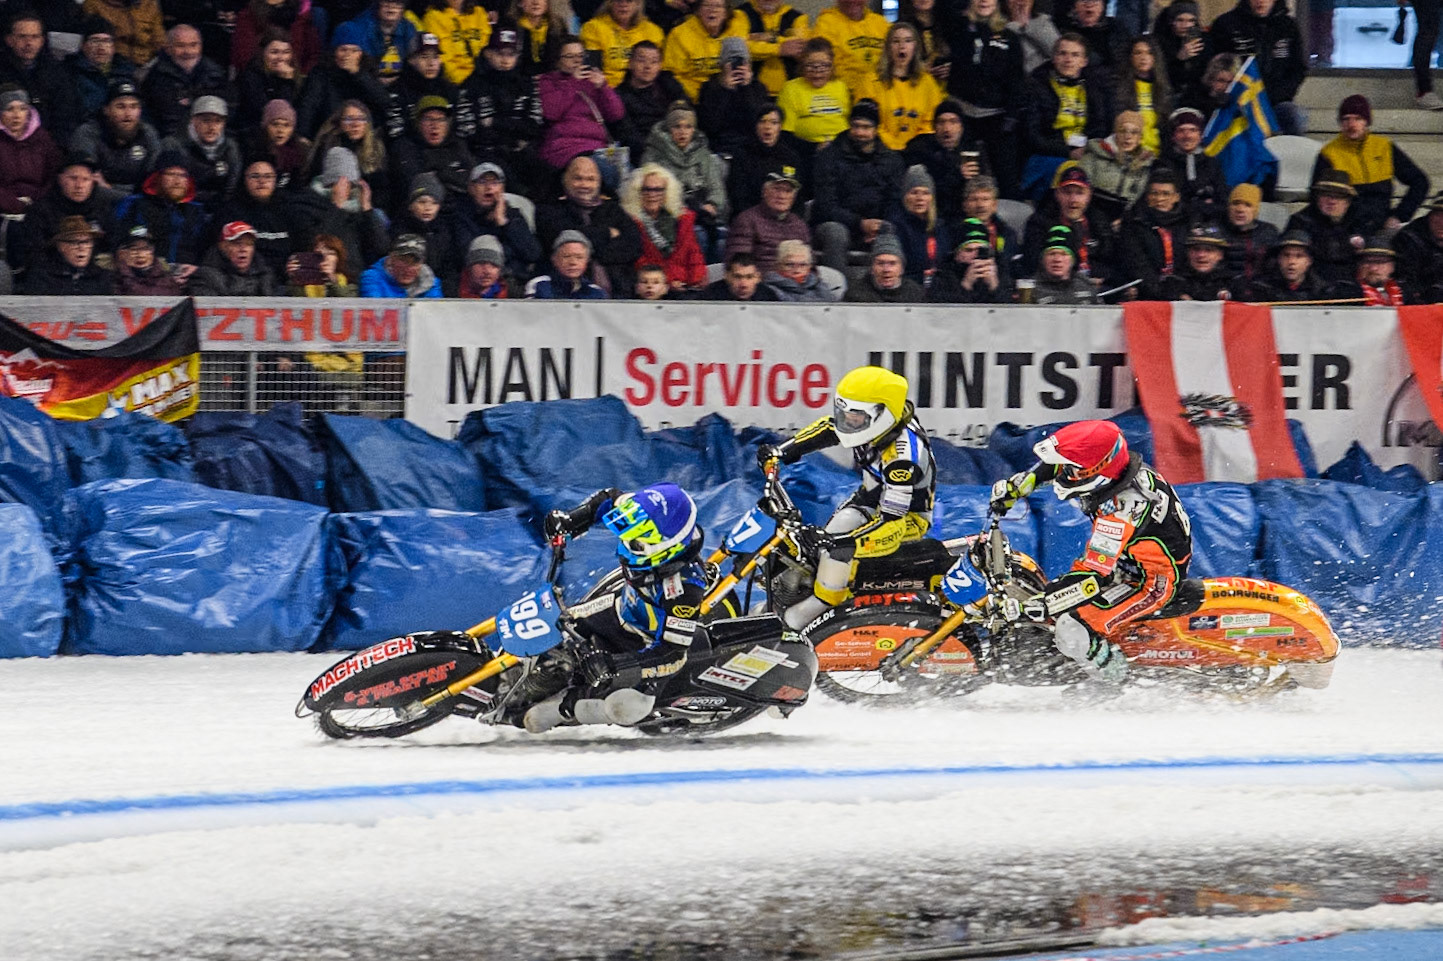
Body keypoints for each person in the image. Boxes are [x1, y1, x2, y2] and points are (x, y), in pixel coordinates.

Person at [989, 419, 1191, 688]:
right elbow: (1059, 465)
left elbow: (1091, 578)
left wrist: (1041, 604)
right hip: (1130, 560)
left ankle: (1111, 681)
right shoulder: (1117, 471)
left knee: (1070, 626)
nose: (1066, 474)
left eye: (1074, 470)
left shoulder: (1122, 510)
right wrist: (1018, 487)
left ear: (1098, 471)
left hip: (1149, 581)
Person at [528, 482, 738, 732]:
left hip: (646, 648)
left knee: (620, 705)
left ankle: (560, 711)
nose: (627, 547)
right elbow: (610, 497)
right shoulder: (646, 516)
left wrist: (616, 666)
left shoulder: (684, 589)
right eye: (627, 537)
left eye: (636, 543)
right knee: (557, 623)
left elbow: (672, 655)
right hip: (622, 609)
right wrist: (573, 519)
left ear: (668, 545)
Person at [758, 365, 936, 631]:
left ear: (882, 415)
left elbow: (892, 524)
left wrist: (839, 542)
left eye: (854, 418)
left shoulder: (903, 458)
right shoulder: (877, 425)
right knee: (809, 546)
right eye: (844, 414)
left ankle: (815, 609)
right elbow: (829, 429)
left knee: (837, 542)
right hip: (871, 500)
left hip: (905, 520)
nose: (846, 422)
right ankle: (786, 595)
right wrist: (782, 451)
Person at [941, 0, 1024, 198]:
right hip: (963, 114)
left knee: (1007, 178)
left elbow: (1016, 81)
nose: (984, 0)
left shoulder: (1009, 37)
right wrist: (971, 24)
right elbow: (945, 11)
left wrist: (1011, 118)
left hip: (997, 116)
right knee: (964, 173)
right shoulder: (958, 28)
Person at [812, 99, 906, 274]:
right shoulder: (829, 156)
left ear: (876, 128)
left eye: (866, 127)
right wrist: (860, 223)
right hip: (835, 223)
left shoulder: (891, 160)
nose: (860, 132)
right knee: (836, 232)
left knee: (896, 227)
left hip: (876, 225)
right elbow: (826, 205)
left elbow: (895, 200)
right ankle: (836, 292)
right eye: (856, 126)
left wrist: (879, 225)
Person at [1315, 95, 1430, 237]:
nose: (1351, 125)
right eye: (1346, 119)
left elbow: (1420, 181)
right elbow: (1316, 196)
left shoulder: (1384, 147)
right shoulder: (1329, 153)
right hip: (1345, 229)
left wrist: (1400, 215)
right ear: (1340, 123)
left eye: (1357, 119)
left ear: (1367, 122)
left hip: (1382, 227)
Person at [454, 25, 545, 193]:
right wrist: (514, 127)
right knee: (518, 187)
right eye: (499, 53)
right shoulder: (471, 86)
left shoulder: (527, 83)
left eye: (511, 54)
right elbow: (469, 132)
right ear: (488, 53)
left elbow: (535, 125)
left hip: (521, 149)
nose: (505, 59)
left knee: (546, 175)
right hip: (486, 154)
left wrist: (496, 122)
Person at [535, 154, 643, 296]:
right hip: (563, 294)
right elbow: (557, 238)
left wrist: (588, 251)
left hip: (620, 293)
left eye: (591, 179)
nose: (584, 185)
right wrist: (607, 233)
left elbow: (633, 245)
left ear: (599, 183)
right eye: (578, 178)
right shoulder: (550, 209)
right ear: (565, 180)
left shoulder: (613, 210)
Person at [1020, 34, 1110, 200]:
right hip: (1049, 154)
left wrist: (1088, 148)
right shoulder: (1037, 86)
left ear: (1084, 61)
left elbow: (1101, 127)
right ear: (1054, 58)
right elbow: (1032, 135)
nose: (1068, 59)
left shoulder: (1094, 88)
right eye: (1063, 54)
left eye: (1075, 55)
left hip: (1086, 152)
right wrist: (1068, 152)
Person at [641, 101, 727, 260]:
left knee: (723, 239)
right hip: (669, 216)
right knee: (697, 235)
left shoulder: (704, 154)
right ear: (668, 129)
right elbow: (650, 193)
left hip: (702, 211)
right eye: (677, 126)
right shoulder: (653, 155)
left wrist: (713, 205)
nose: (683, 132)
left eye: (688, 127)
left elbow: (716, 188)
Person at [1207, 0, 1307, 136]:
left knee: (1293, 115)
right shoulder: (1226, 24)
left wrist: (1278, 95)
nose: (1261, 2)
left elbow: (1298, 68)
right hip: (1236, 100)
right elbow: (1214, 66)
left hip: (1276, 101)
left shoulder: (1288, 26)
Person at [539, 36, 627, 175]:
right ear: (558, 60)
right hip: (565, 147)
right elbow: (551, 112)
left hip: (598, 146)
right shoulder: (548, 81)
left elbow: (616, 114)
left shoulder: (591, 81)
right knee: (606, 171)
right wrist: (573, 82)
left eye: (581, 55)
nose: (577, 61)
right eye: (570, 56)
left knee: (629, 173)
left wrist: (603, 87)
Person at [114, 148, 209, 274]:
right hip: (143, 277)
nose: (177, 181)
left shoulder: (197, 211)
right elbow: (117, 244)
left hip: (188, 278)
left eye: (182, 175)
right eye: (171, 174)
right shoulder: (134, 205)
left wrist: (196, 269)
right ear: (157, 177)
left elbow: (204, 250)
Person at [1019, 163, 1116, 283]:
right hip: (1057, 288)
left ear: (1089, 195)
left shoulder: (1100, 221)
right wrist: (1080, 282)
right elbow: (1033, 264)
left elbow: (1112, 260)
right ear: (1057, 194)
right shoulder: (1039, 223)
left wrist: (1104, 279)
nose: (1073, 200)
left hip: (1102, 287)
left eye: (1079, 193)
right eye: (1067, 192)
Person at [70, 78, 162, 202]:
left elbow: (156, 178)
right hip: (100, 204)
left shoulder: (148, 133)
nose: (128, 114)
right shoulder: (87, 133)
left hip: (142, 203)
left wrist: (113, 190)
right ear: (106, 110)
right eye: (121, 106)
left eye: (133, 106)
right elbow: (90, 182)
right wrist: (131, 199)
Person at [619, 163, 706, 293]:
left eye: (658, 189)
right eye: (646, 189)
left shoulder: (683, 219)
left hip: (684, 285)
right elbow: (638, 261)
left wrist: (695, 281)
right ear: (637, 191)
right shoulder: (629, 221)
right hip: (648, 288)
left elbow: (694, 254)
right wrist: (668, 282)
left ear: (667, 192)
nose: (652, 194)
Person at [0, 11, 84, 143]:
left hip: (47, 147)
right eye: (22, 37)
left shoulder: (57, 72)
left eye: (34, 37)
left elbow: (66, 117)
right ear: (9, 40)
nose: (29, 43)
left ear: (42, 41)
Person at [452, 161, 542, 281]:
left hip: (514, 281)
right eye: (482, 182)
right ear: (471, 188)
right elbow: (470, 256)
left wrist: (504, 223)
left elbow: (533, 253)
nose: (489, 187)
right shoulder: (461, 216)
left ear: (502, 188)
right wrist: (513, 252)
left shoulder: (512, 215)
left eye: (494, 183)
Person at [860, 22, 943, 153]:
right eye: (896, 41)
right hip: (880, 150)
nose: (902, 46)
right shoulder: (871, 81)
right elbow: (867, 120)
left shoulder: (927, 82)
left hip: (918, 151)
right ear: (888, 47)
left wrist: (914, 146)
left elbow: (931, 122)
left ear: (915, 47)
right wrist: (894, 146)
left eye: (908, 41)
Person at [139, 24, 233, 139]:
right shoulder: (157, 77)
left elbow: (226, 115)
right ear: (168, 48)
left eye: (193, 45)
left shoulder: (215, 74)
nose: (188, 52)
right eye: (180, 46)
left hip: (212, 140)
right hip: (172, 143)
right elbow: (167, 120)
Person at [902, 100, 990, 221]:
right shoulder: (921, 150)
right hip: (935, 215)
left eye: (953, 122)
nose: (947, 128)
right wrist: (957, 174)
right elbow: (924, 191)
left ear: (961, 126)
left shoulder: (973, 149)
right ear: (934, 127)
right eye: (941, 122)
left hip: (966, 214)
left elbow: (987, 185)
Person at [294, 35, 391, 139]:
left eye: (354, 51)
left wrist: (358, 74)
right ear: (334, 52)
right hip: (330, 134)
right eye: (343, 50)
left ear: (361, 54)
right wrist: (302, 135)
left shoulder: (368, 72)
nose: (347, 55)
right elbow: (308, 105)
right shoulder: (320, 73)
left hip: (363, 135)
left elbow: (384, 102)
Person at [1284, 170, 1368, 286]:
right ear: (1317, 197)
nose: (1332, 201)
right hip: (1313, 287)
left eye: (1339, 196)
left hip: (1353, 284)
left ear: (1348, 202)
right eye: (1326, 195)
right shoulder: (1300, 221)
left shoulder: (1361, 222)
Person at [614, 40, 690, 167]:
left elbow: (685, 113)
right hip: (642, 152)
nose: (647, 66)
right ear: (630, 63)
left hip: (675, 144)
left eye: (654, 61)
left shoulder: (668, 85)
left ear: (660, 65)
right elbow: (627, 133)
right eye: (641, 60)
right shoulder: (619, 95)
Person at [1118, 166, 1188, 300]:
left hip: (1182, 293)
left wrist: (1182, 291)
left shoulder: (1187, 221)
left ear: (1176, 197)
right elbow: (1137, 265)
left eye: (1165, 194)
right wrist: (1165, 294)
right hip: (1147, 295)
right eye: (1154, 193)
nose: (1159, 199)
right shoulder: (1133, 222)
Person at [159, 96, 242, 209]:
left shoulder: (230, 148)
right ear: (193, 120)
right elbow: (166, 187)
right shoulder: (173, 145)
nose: (212, 127)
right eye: (206, 120)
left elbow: (230, 189)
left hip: (218, 210)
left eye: (218, 121)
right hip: (181, 209)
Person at [696, 36, 772, 159]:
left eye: (741, 62)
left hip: (750, 146)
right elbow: (710, 126)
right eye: (731, 61)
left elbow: (759, 122)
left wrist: (747, 88)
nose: (737, 67)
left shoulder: (758, 88)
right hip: (719, 147)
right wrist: (725, 91)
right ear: (722, 65)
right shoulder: (709, 87)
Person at [724, 168, 810, 276]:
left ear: (794, 197)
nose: (782, 196)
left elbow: (811, 266)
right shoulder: (747, 220)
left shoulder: (799, 224)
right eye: (777, 189)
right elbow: (739, 265)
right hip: (764, 285)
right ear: (764, 192)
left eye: (788, 191)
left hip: (799, 285)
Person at [390, 95, 475, 201]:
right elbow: (417, 185)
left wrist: (440, 174)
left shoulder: (458, 145)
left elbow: (473, 181)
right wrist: (453, 174)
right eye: (428, 119)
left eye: (441, 119)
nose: (435, 125)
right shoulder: (404, 147)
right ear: (417, 122)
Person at [1152, 106, 1228, 225]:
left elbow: (1222, 202)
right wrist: (1202, 203)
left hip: (1207, 225)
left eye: (1193, 130)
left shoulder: (1212, 164)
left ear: (1200, 136)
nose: (1187, 136)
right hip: (1171, 224)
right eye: (1181, 130)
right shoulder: (1162, 163)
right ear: (1173, 136)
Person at [725, 104, 804, 217]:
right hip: (751, 218)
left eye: (773, 122)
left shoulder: (791, 157)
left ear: (780, 126)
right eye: (762, 121)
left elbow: (798, 197)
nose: (767, 127)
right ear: (755, 126)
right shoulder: (742, 154)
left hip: (784, 220)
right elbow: (738, 196)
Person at [662, 0, 748, 101]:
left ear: (725, 13)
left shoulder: (734, 32)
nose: (712, 10)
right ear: (698, 11)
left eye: (718, 6)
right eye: (707, 5)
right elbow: (672, 75)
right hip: (693, 98)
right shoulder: (679, 34)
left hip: (728, 95)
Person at [1078, 110, 1155, 224]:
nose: (1128, 137)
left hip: (1125, 220)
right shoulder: (1095, 154)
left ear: (1140, 137)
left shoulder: (1145, 163)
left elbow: (1139, 199)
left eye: (1134, 132)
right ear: (1115, 133)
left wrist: (1125, 219)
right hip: (1091, 214)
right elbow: (1081, 189)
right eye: (1123, 131)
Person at [776, 38, 850, 154]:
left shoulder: (840, 86)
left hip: (842, 149)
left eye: (824, 66)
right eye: (810, 66)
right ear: (802, 66)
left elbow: (848, 123)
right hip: (807, 151)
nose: (817, 71)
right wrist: (815, 147)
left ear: (832, 66)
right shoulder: (791, 88)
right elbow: (785, 134)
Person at [888, 164, 955, 287]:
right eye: (914, 192)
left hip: (940, 288)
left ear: (932, 198)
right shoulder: (896, 228)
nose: (920, 198)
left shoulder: (941, 228)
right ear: (905, 197)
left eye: (925, 193)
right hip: (909, 288)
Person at [0, 88, 61, 217]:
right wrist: (13, 204)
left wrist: (37, 203)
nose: (17, 115)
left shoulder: (43, 139)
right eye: (10, 109)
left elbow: (54, 174)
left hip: (39, 206)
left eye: (22, 108)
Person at [63, 18, 136, 124]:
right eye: (95, 40)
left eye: (107, 41)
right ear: (84, 46)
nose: (101, 47)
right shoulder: (70, 73)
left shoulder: (126, 73)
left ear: (113, 47)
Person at [1231, 229, 1335, 302]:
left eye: (1299, 256)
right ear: (1278, 259)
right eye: (1286, 255)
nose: (1291, 261)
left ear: (1309, 261)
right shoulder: (1261, 288)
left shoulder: (1322, 291)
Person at [20, 215, 114, 295]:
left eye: (86, 242)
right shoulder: (42, 277)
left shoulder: (103, 277)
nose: (82, 247)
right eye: (74, 242)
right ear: (61, 246)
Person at [580, 0, 664, 87]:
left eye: (629, 1)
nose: (623, 5)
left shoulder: (653, 31)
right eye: (618, 0)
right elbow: (593, 69)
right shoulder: (593, 28)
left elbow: (658, 69)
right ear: (610, 3)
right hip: (606, 89)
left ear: (638, 3)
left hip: (643, 89)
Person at [812, 0, 889, 92]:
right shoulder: (826, 23)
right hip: (844, 92)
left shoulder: (881, 22)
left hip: (882, 91)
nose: (852, 1)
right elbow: (823, 64)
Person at [334, 0, 419, 83]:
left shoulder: (409, 28)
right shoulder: (359, 26)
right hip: (367, 82)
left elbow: (413, 62)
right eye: (386, 1)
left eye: (397, 2)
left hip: (400, 84)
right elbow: (362, 63)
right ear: (378, 4)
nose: (391, 6)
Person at [928, 218, 1012, 303]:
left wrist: (994, 286)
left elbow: (1012, 310)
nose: (975, 255)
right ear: (957, 254)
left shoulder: (1000, 271)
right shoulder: (943, 275)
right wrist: (966, 285)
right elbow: (942, 311)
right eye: (969, 250)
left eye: (981, 250)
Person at [1112, 36, 1171, 156]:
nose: (1143, 58)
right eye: (1138, 53)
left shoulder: (1163, 89)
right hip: (1127, 152)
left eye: (1149, 53)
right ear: (1130, 57)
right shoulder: (1117, 86)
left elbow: (1166, 128)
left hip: (1156, 155)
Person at [232, 0, 323, 76]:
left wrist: (298, 77)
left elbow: (313, 55)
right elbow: (243, 58)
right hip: (259, 81)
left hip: (298, 80)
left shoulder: (302, 16)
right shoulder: (248, 16)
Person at [737, 0, 809, 96]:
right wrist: (779, 49)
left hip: (789, 91)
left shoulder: (797, 17)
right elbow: (739, 47)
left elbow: (800, 47)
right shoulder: (740, 14)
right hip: (750, 90)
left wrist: (772, 38)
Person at [189, 220, 278, 296]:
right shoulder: (204, 277)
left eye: (249, 244)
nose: (243, 249)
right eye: (237, 243)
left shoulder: (265, 275)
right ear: (223, 246)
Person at [235, 33, 302, 132]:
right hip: (254, 132)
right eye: (274, 52)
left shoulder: (295, 76)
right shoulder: (250, 76)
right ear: (262, 53)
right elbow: (274, 112)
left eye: (286, 52)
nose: (281, 58)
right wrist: (286, 82)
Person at [421, 0, 492, 85]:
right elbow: (443, 58)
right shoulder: (433, 17)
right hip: (455, 82)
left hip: (483, 77)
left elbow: (487, 48)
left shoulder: (479, 13)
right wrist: (465, 81)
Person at [1154, 1, 1209, 109]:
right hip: (1167, 95)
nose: (1186, 26)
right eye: (1180, 20)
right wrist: (1179, 59)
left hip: (1197, 97)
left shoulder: (1205, 41)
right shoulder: (1159, 42)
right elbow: (1160, 75)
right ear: (1171, 21)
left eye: (1191, 21)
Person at [1220, 183, 1279, 283]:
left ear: (1255, 210)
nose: (1240, 209)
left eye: (1247, 205)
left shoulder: (1268, 232)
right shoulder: (1217, 231)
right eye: (1235, 203)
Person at [1159, 224, 1235, 301]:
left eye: (1208, 250)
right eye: (1196, 249)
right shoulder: (1173, 283)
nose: (1201, 255)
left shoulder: (1233, 283)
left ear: (1220, 255)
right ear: (1188, 253)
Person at [527, 229, 610, 298]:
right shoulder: (539, 285)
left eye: (579, 257)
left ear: (587, 261)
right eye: (566, 256)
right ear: (554, 259)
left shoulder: (596, 292)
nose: (573, 262)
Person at [82, 0, 165, 69]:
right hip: (111, 66)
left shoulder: (150, 4)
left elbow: (158, 39)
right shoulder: (94, 4)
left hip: (145, 66)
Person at [844, 233, 926, 302]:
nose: (886, 269)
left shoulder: (915, 293)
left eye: (892, 263)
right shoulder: (855, 295)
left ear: (902, 269)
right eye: (880, 263)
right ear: (872, 268)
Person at [1029, 223, 1097, 303]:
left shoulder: (1085, 284)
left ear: (1073, 260)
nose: (1057, 259)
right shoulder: (1031, 289)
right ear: (1042, 259)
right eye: (1052, 254)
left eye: (1064, 254)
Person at [111, 224, 187, 295]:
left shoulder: (168, 281)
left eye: (145, 249)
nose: (140, 254)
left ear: (153, 251)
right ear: (123, 253)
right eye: (134, 249)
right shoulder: (112, 280)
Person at [1394, 191, 1443, 300]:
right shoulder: (1408, 239)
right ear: (1430, 215)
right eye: (1438, 215)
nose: (1441, 222)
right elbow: (1406, 281)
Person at [360, 232, 443, 296]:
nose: (409, 268)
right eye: (404, 261)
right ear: (391, 258)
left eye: (415, 262)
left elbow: (434, 313)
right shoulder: (372, 278)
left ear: (422, 263)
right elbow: (375, 309)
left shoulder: (431, 283)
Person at [962, 176, 1018, 266]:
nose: (980, 205)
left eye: (985, 199)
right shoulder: (953, 233)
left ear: (994, 205)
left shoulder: (1007, 234)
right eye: (974, 199)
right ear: (965, 205)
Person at [1343, 235, 1415, 306]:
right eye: (1367, 262)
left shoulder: (1405, 293)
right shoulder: (1346, 292)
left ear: (1392, 266)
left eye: (1380, 262)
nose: (1373, 268)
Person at [765, 239, 837, 301]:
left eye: (803, 265)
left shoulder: (820, 285)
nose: (797, 270)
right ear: (778, 265)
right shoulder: (768, 290)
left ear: (810, 266)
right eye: (789, 265)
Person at [1006, 0, 1059, 76]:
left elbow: (1058, 53)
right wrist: (1016, 26)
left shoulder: (1043, 21)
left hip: (1041, 78)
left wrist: (1027, 28)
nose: (1020, 1)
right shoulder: (998, 24)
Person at [702, 250, 780, 300]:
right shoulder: (710, 296)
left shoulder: (768, 297)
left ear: (758, 278)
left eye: (749, 277)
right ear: (727, 276)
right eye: (737, 277)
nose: (743, 284)